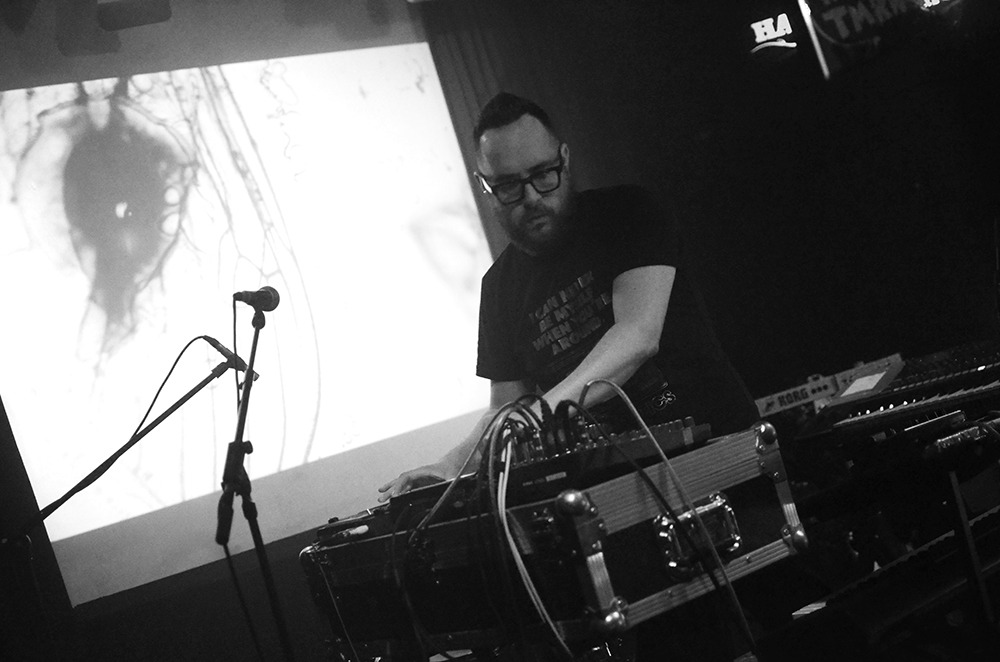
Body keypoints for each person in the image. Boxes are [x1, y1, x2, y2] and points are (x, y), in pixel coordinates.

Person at [380, 92, 758, 502]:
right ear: (485, 187)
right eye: (509, 186)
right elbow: (505, 409)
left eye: (543, 174)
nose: (532, 197)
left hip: (721, 450)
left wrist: (538, 414)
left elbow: (637, 335)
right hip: (618, 486)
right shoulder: (498, 288)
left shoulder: (628, 212)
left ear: (564, 158)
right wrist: (451, 467)